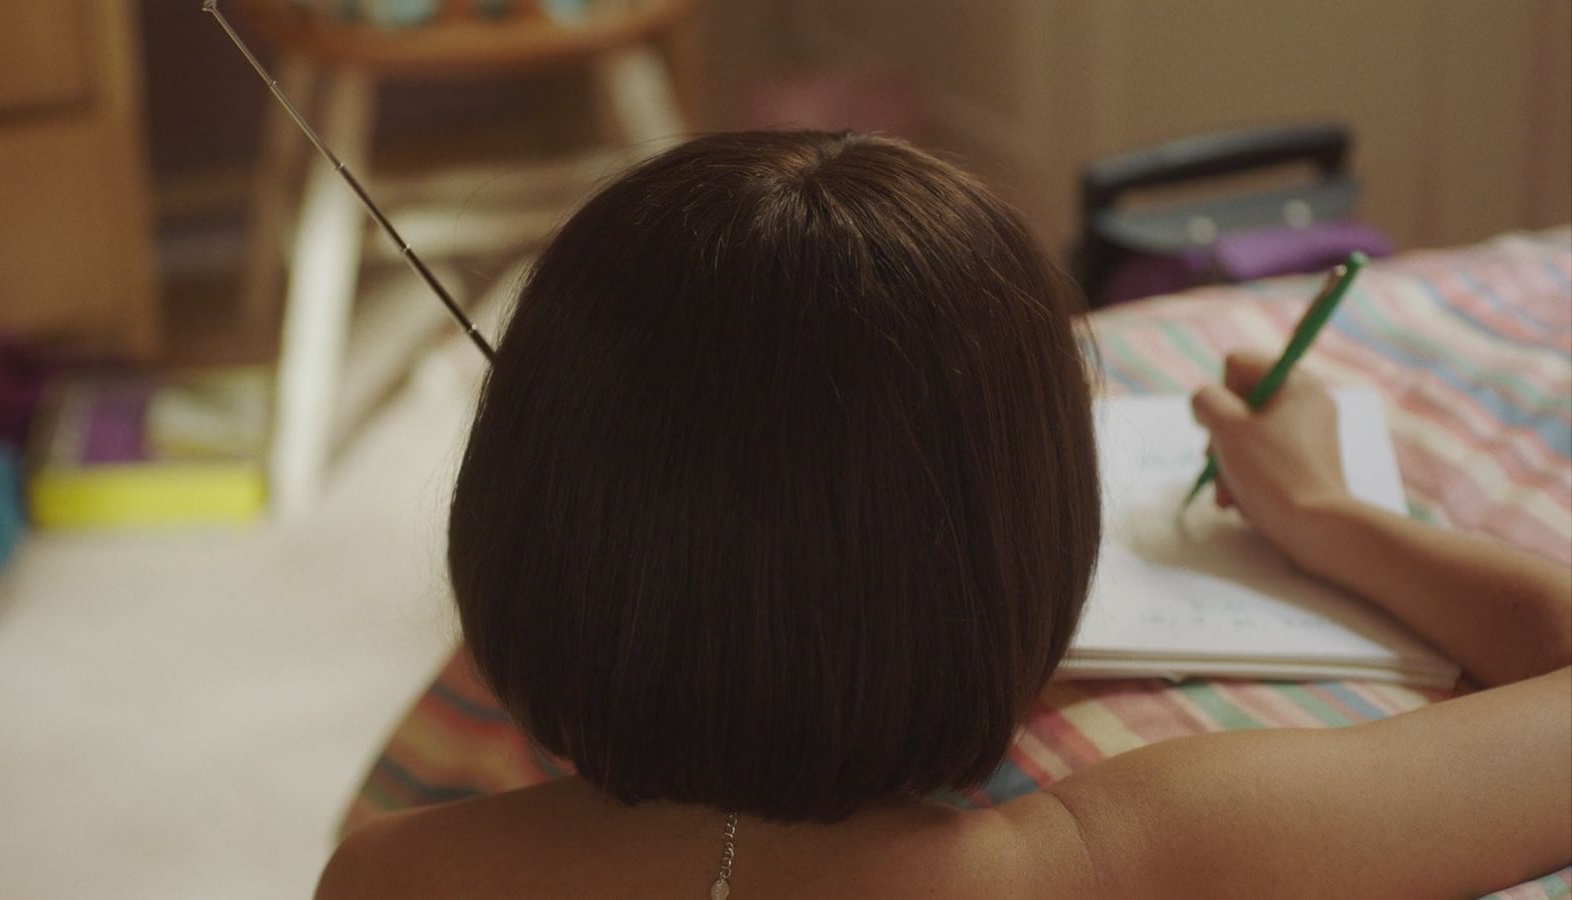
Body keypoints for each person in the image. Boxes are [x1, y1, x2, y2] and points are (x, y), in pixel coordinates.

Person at [317, 131, 1571, 898]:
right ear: (1016, 557)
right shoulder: (1129, 862)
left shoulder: (395, 878)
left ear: (526, 515)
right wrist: (1333, 521)